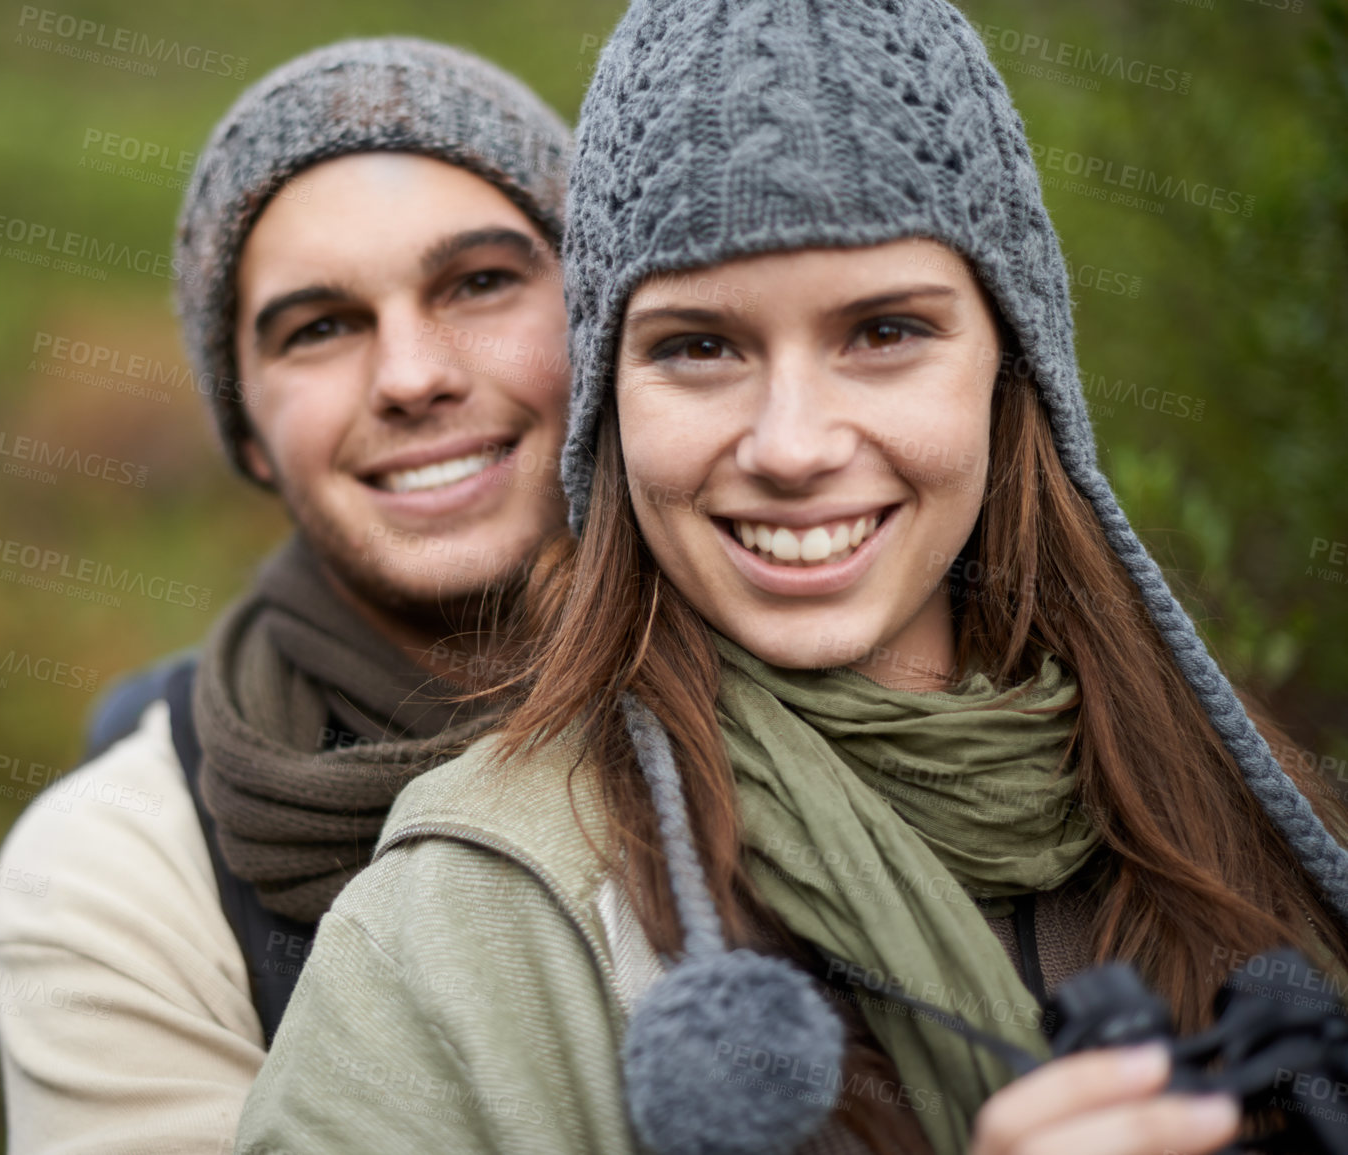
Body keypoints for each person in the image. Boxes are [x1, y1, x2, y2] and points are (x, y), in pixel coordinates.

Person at [233, 3, 1348, 1154]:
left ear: (1014, 364)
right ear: (608, 402)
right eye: (699, 347)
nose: (793, 444)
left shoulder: (1237, 805)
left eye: (883, 331)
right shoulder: (469, 928)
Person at [0, 37, 572, 1153]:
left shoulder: (828, 673)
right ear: (250, 433)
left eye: (482, 282)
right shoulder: (116, 875)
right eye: (322, 328)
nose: (411, 376)